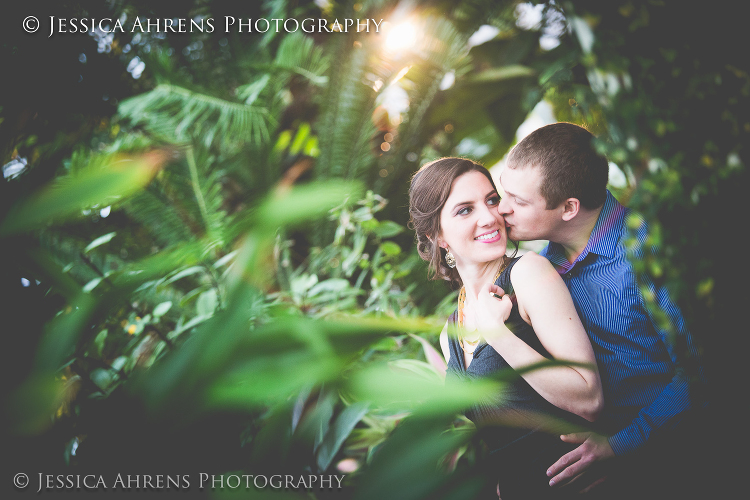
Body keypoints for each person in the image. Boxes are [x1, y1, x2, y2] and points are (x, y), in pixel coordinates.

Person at [497, 122, 705, 498]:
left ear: (568, 208)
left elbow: (703, 373)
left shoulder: (652, 254)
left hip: (684, 465)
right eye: (503, 193)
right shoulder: (542, 269)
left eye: (520, 201)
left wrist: (618, 446)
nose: (503, 209)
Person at [408, 157, 604, 499]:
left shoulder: (528, 274)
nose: (489, 217)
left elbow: (589, 398)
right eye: (465, 210)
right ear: (436, 236)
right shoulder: (449, 332)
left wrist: (498, 335)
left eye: (491, 200)